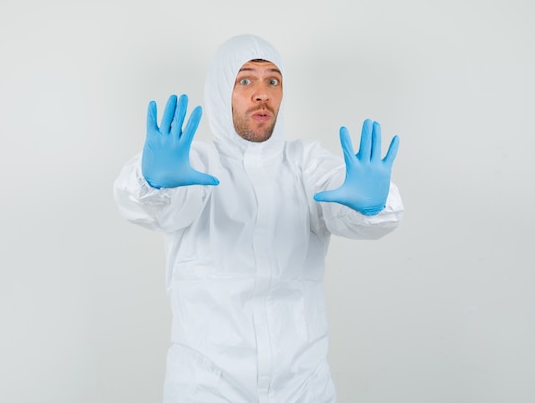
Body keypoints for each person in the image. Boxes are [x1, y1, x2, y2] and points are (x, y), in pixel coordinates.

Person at [114, 34, 404, 403]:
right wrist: (151, 181)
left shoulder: (305, 164)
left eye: (273, 81)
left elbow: (344, 204)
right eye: (245, 80)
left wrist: (372, 203)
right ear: (221, 91)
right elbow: (155, 206)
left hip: (303, 386)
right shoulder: (196, 166)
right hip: (205, 387)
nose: (262, 93)